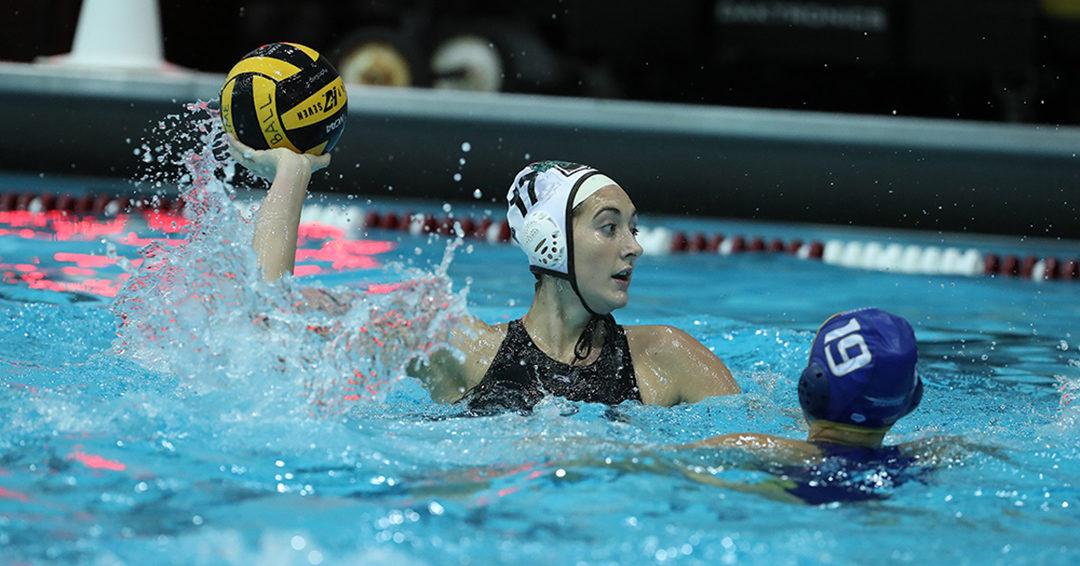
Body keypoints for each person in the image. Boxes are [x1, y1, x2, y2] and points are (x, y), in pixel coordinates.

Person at [226, 138, 740, 413]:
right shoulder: (459, 347)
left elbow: (777, 440)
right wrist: (293, 171)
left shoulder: (667, 358)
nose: (634, 247)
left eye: (633, 229)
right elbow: (271, 319)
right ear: (549, 239)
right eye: (610, 228)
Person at [677, 307, 931, 504]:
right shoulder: (928, 454)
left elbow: (651, 461)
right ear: (912, 399)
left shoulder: (753, 447)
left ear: (812, 386)